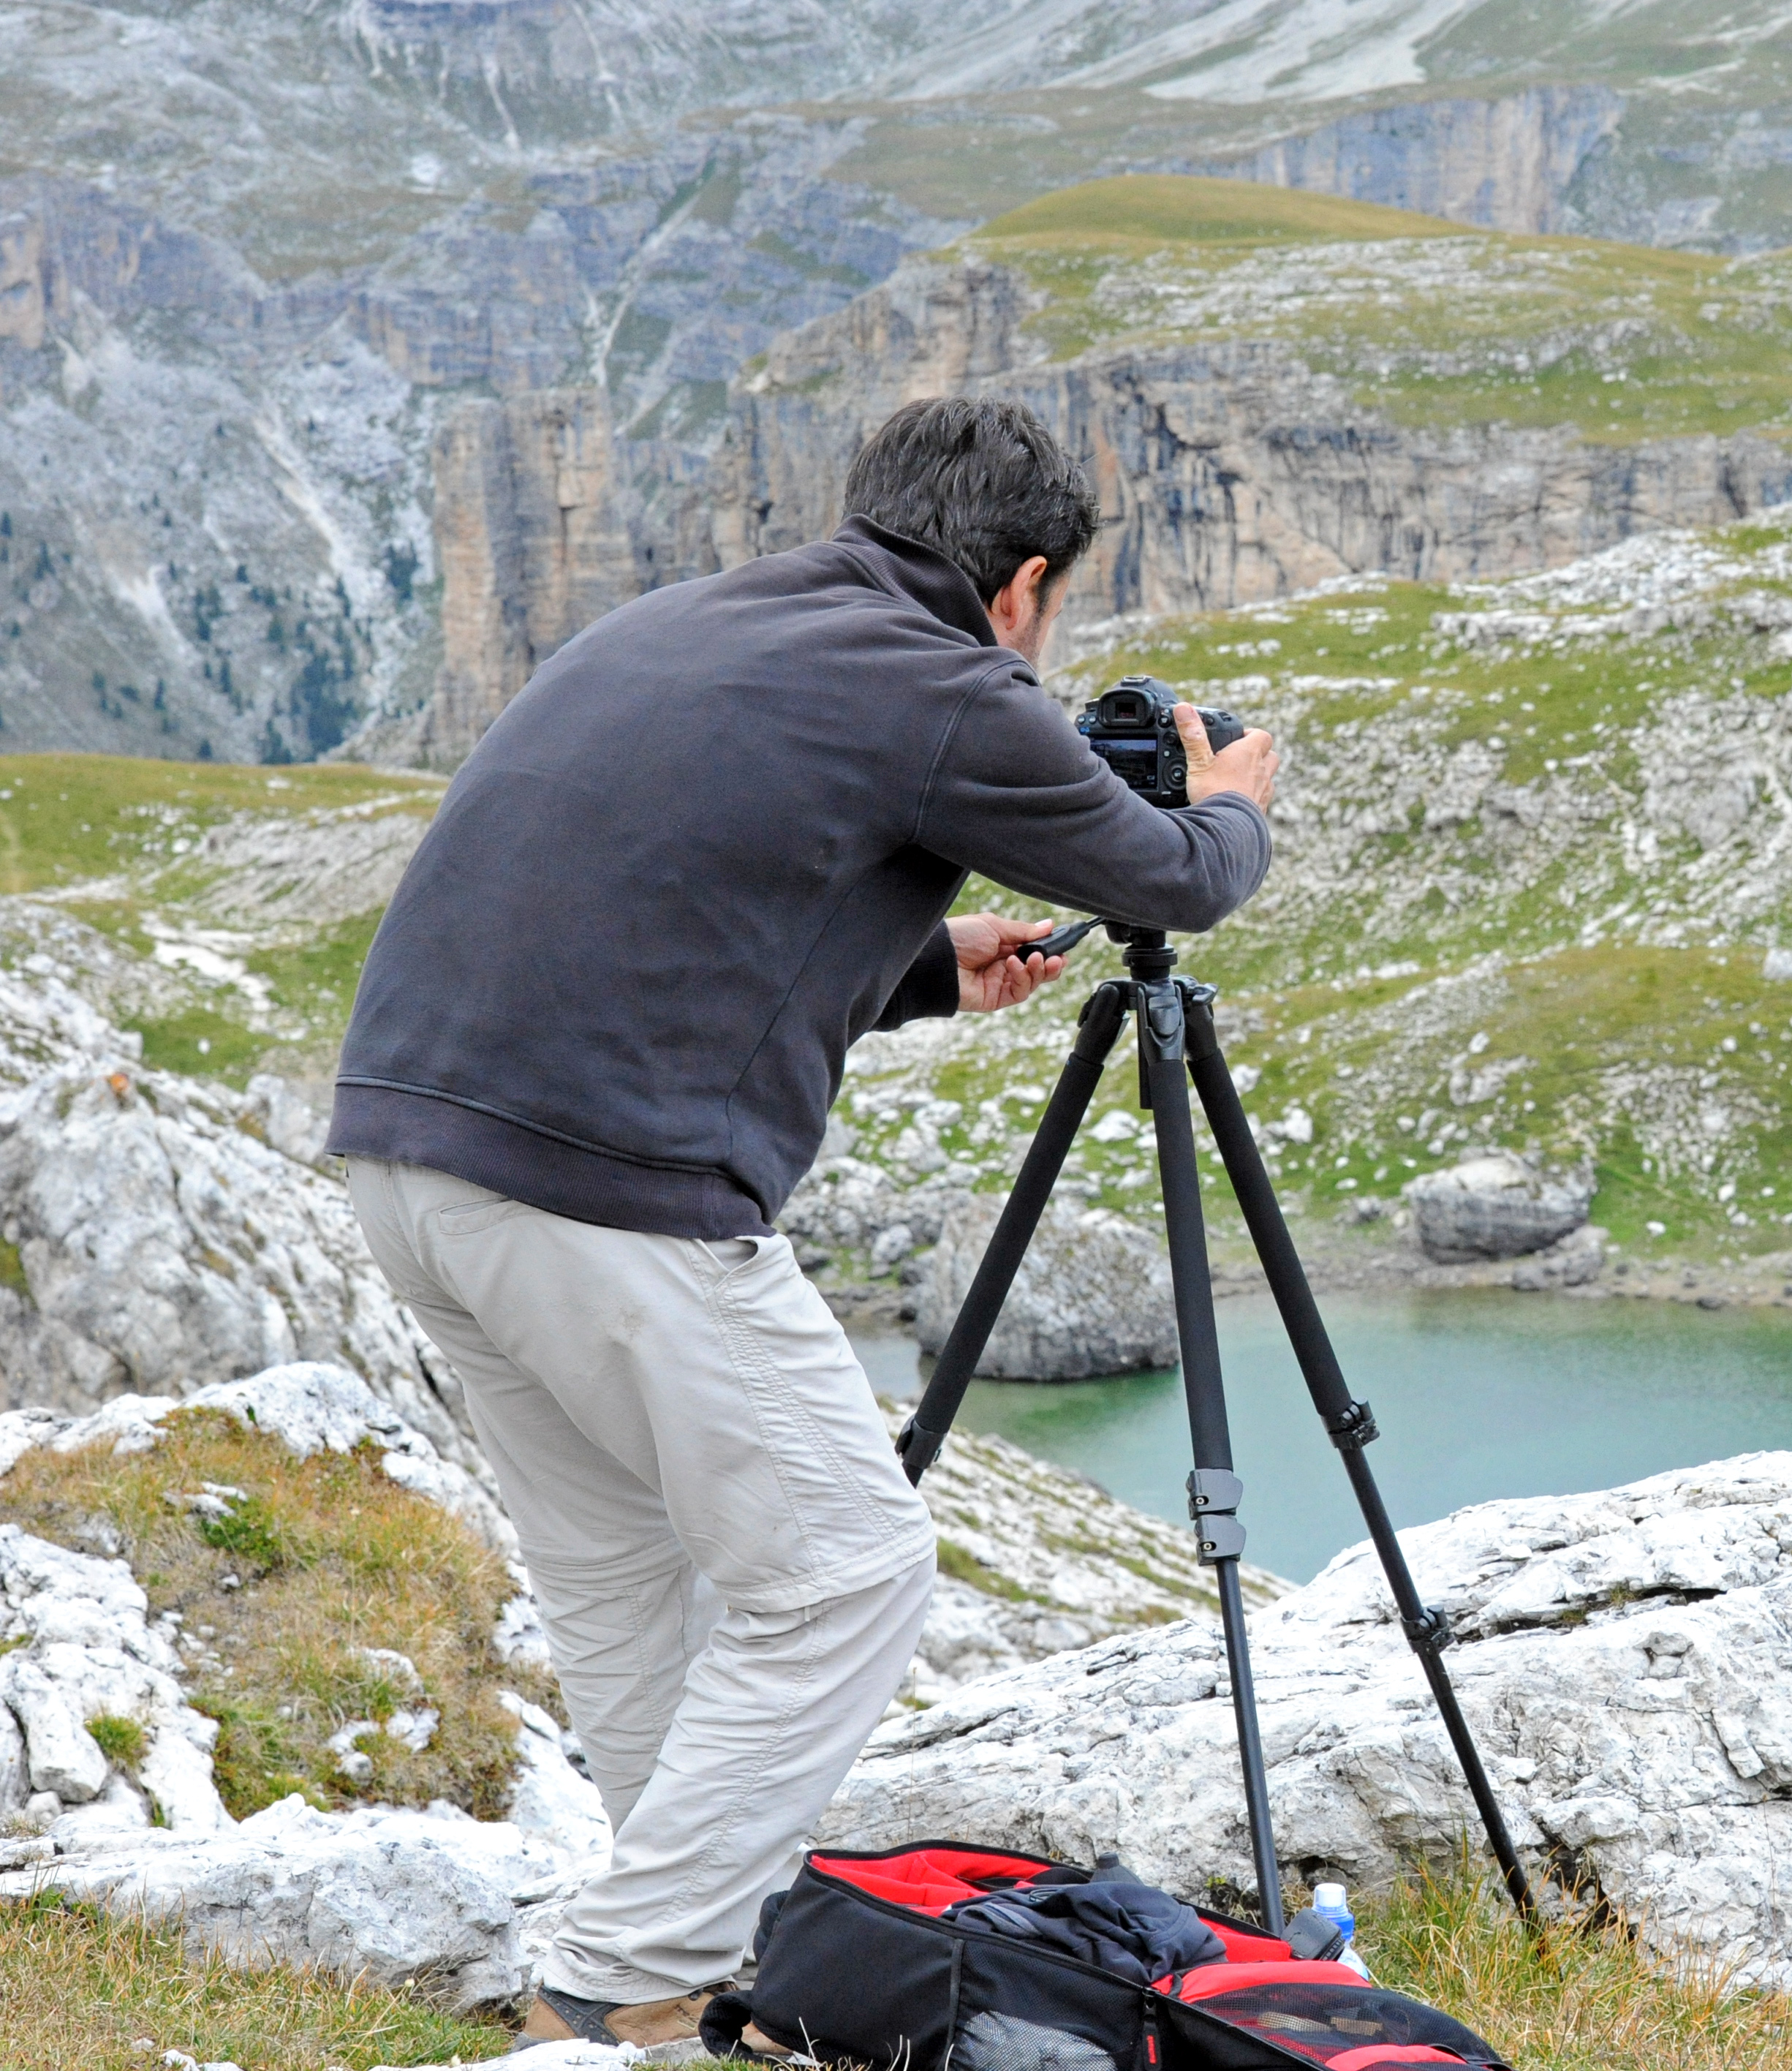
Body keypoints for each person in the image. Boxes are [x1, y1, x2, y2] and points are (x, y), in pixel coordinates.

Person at [326, 396, 1280, 2048]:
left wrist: (922, 964)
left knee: (627, 1575)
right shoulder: (947, 683)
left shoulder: (703, 615)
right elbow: (1172, 877)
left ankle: (686, 1961)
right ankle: (604, 1990)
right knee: (847, 1575)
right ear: (1021, 583)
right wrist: (1237, 801)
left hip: (411, 1159)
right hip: (603, 1188)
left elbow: (690, 867)